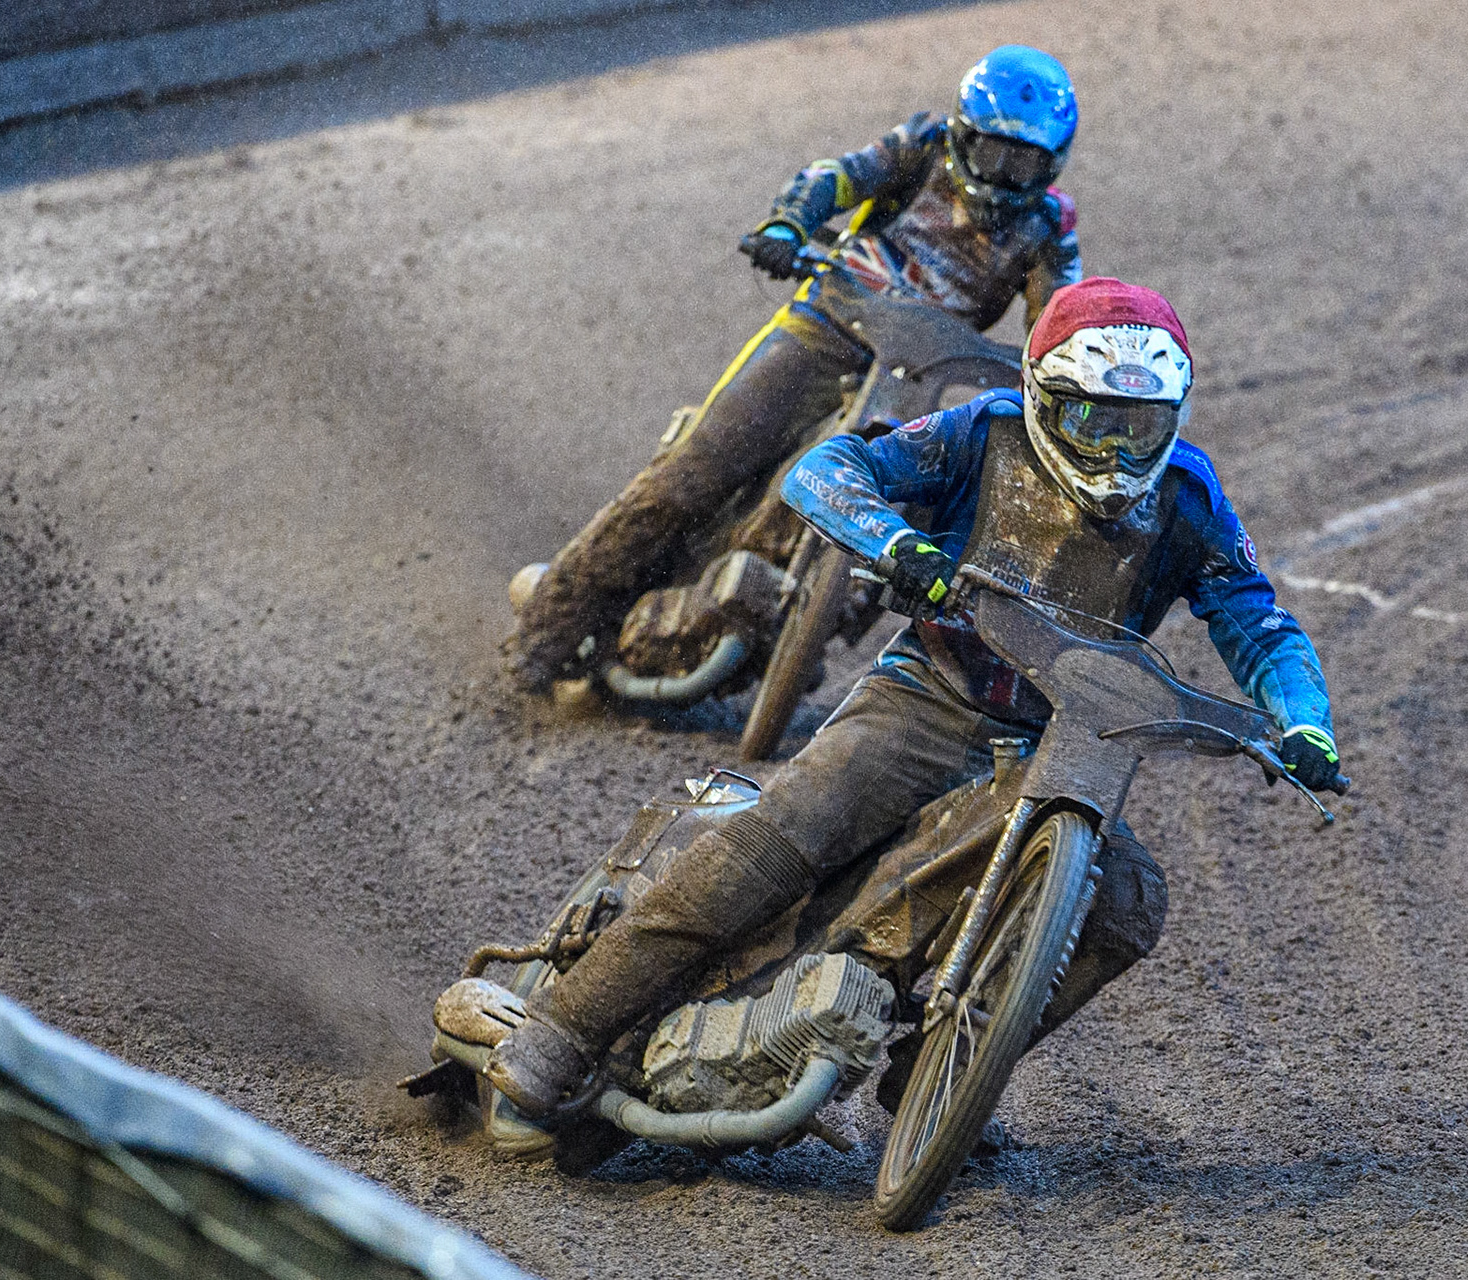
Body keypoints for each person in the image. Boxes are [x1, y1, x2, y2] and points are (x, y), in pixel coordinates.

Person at [483, 277, 1344, 1117]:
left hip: (1070, 740)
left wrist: (1305, 722)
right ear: (1043, 398)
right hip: (929, 697)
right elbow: (827, 467)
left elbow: (1258, 623)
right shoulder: (983, 431)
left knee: (1127, 903)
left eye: (1139, 425)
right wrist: (894, 541)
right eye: (1091, 418)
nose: (1117, 450)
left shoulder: (1190, 497)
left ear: (1175, 416)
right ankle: (562, 1029)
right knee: (781, 842)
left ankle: (942, 1078)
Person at [504, 45, 1086, 691]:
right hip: (827, 327)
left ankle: (764, 624)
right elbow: (836, 177)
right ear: (961, 134)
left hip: (919, 378)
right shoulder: (919, 148)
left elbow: (1057, 319)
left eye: (1024, 161)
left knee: (906, 513)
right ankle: (547, 627)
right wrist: (789, 222)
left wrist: (1062, 378)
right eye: (994, 154)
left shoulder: (1050, 230)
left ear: (1052, 163)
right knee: (695, 471)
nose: (1005, 176)